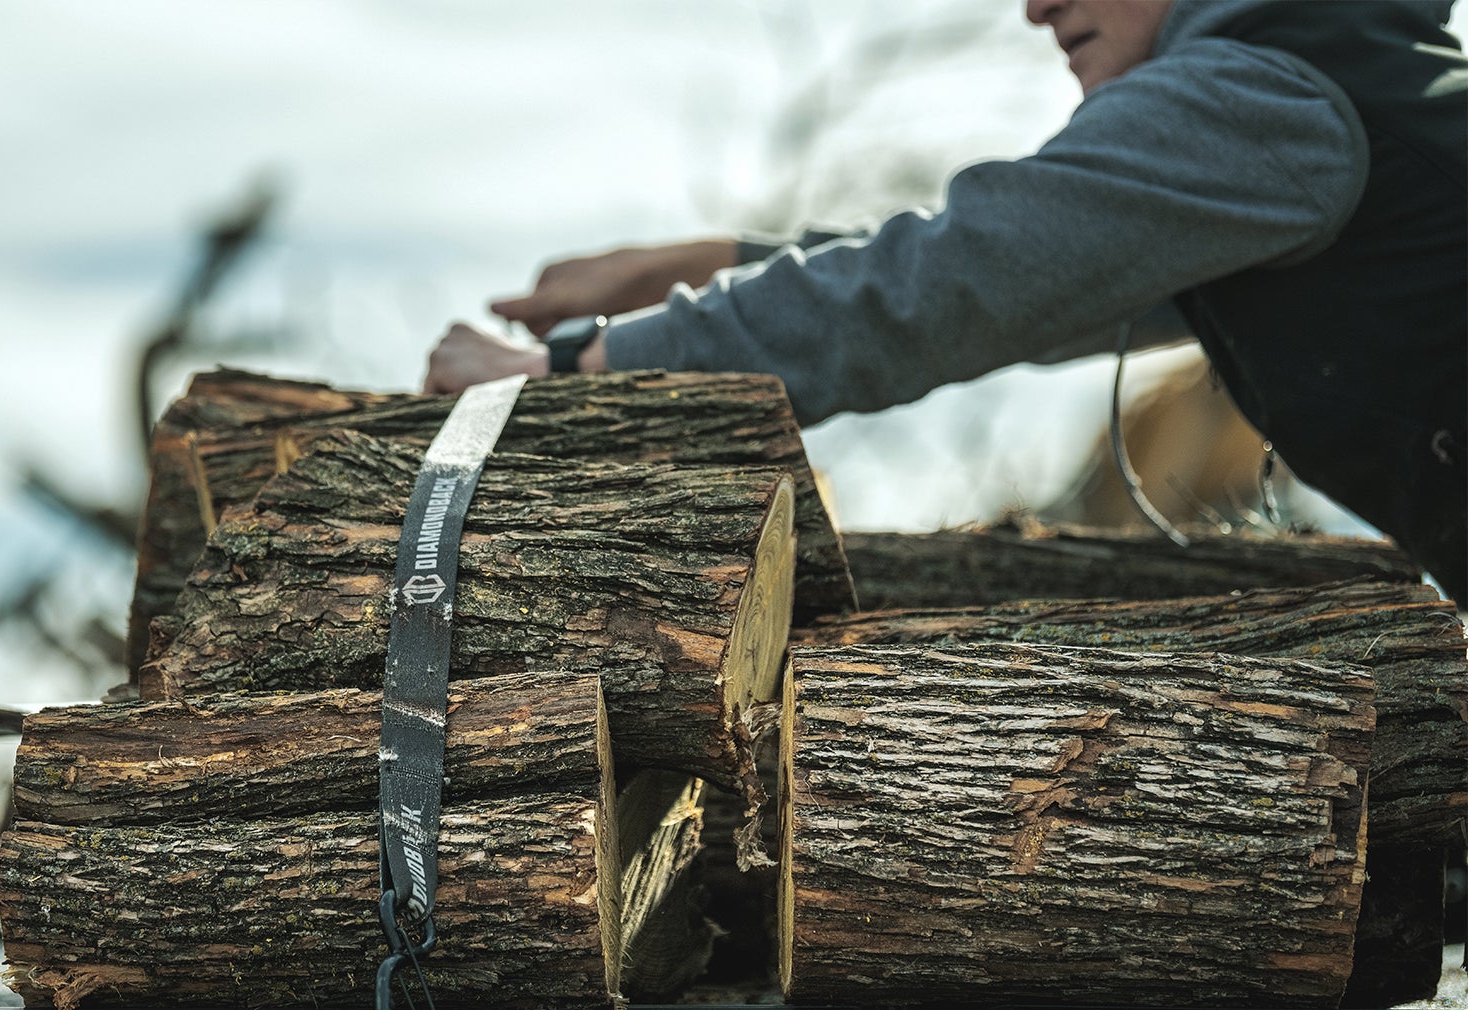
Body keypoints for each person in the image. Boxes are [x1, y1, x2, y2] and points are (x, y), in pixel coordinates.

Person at [423, 0, 1466, 601]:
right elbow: (1031, 269)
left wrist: (574, 370)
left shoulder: (1251, 96)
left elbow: (944, 288)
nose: (1036, 5)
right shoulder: (1322, 76)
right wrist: (719, 255)